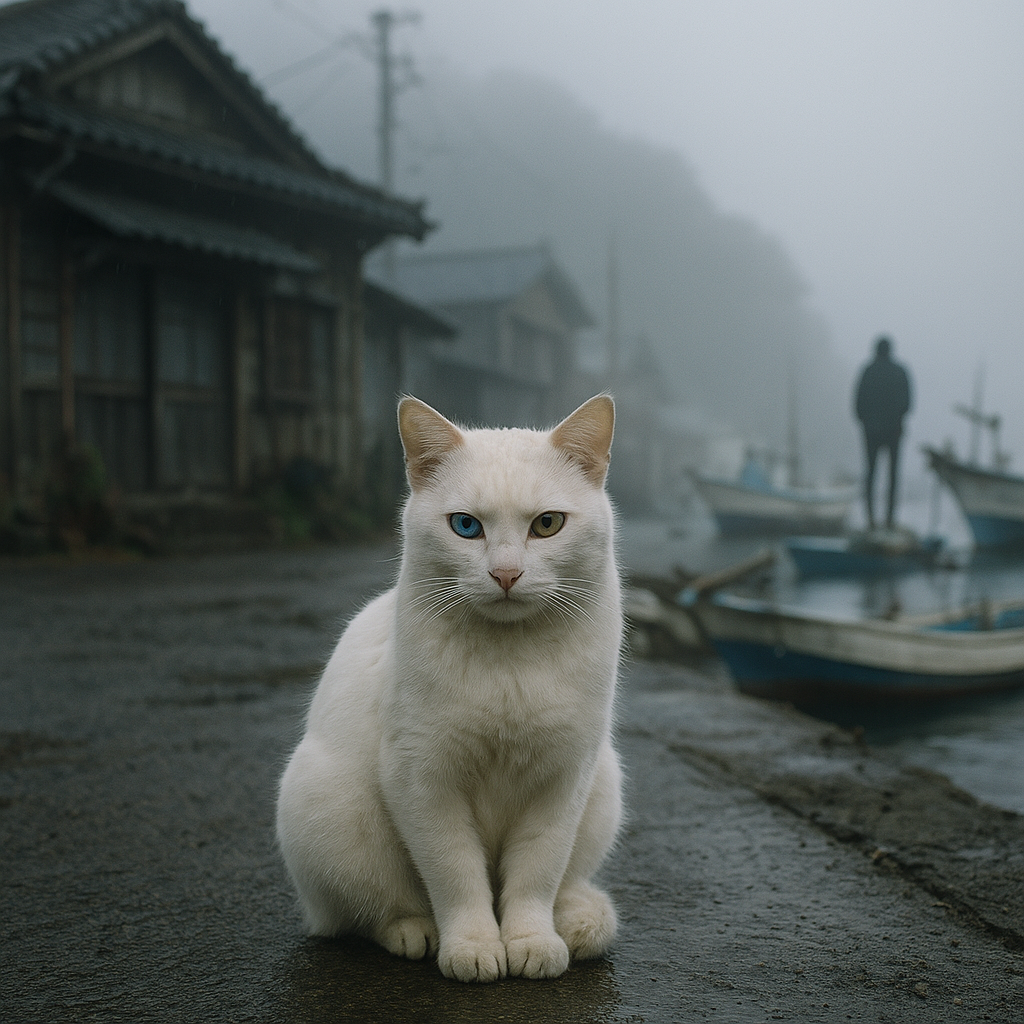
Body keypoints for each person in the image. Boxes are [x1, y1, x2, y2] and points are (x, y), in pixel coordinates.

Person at [853, 335, 912, 529]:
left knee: (870, 473)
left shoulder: (867, 371)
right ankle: (889, 519)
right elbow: (908, 403)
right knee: (892, 475)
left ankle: (870, 519)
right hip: (894, 431)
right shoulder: (900, 372)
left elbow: (857, 404)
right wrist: (897, 419)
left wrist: (865, 422)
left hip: (871, 432)